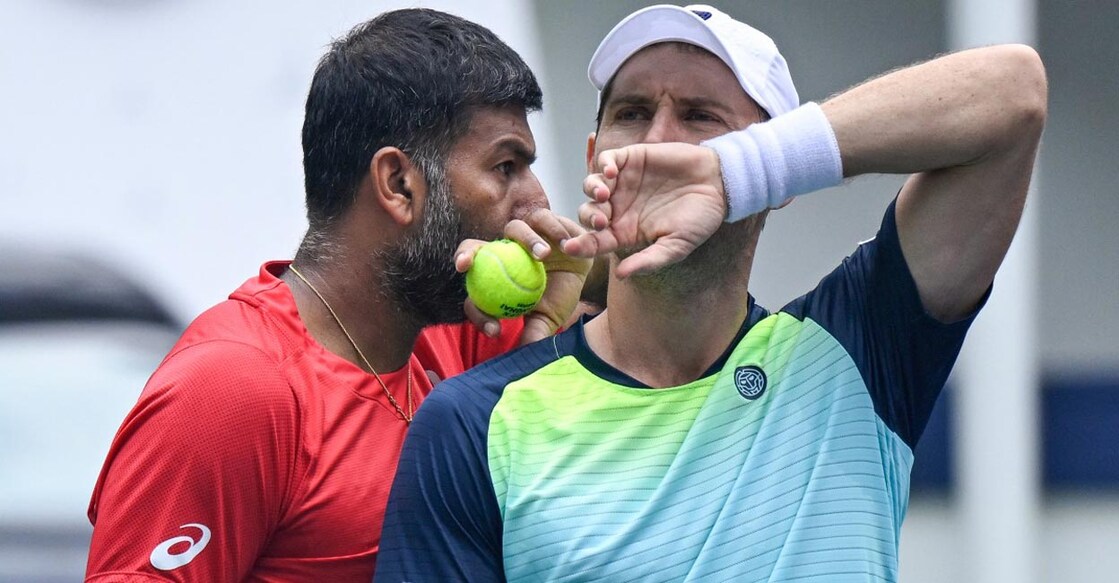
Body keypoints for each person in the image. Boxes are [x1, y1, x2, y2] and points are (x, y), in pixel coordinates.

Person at [374, 4, 1046, 582]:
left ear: (772, 176)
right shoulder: (473, 419)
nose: (659, 142)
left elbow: (1013, 96)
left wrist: (737, 171)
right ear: (592, 158)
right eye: (632, 113)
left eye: (701, 118)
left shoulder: (857, 349)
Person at [84, 8, 590, 582]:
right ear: (398, 184)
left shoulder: (461, 340)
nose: (537, 200)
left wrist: (558, 311)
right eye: (506, 167)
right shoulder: (233, 393)